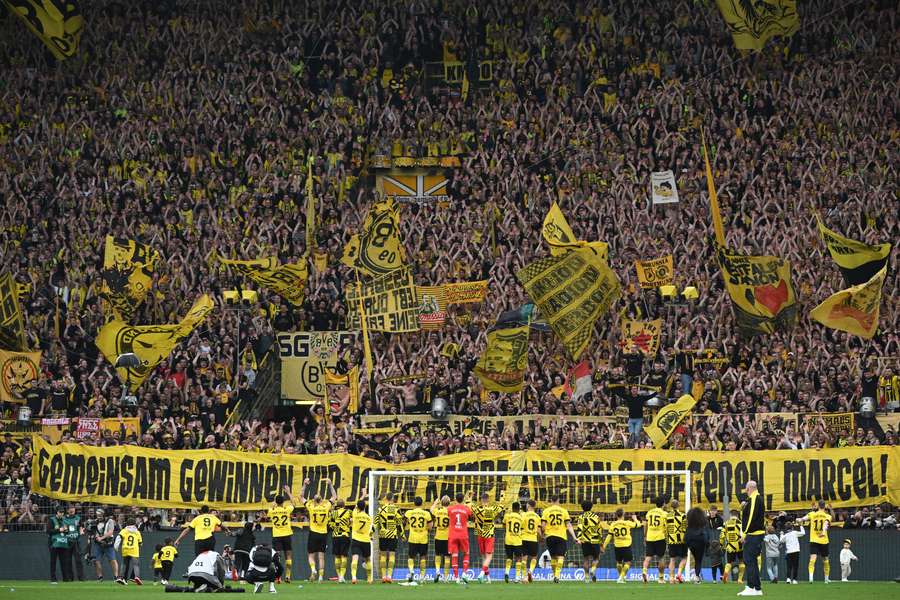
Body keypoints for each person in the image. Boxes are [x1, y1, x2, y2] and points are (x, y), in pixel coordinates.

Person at [296, 478, 336, 582]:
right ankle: (321, 577)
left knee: (311, 555)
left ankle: (313, 570)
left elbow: (300, 497)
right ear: (322, 500)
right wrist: (330, 485)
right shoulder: (326, 506)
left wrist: (304, 484)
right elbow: (334, 496)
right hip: (323, 534)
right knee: (321, 557)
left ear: (314, 500)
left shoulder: (311, 506)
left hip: (313, 533)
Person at [738, 480, 766, 597]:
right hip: (755, 534)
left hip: (754, 534)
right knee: (752, 561)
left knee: (749, 560)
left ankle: (750, 587)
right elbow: (747, 516)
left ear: (749, 488)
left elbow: (751, 518)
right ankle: (757, 588)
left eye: (746, 489)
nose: (746, 491)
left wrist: (744, 534)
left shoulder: (755, 498)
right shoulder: (753, 499)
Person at [541, 494, 576, 584]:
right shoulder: (564, 511)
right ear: (558, 500)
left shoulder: (546, 511)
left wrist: (543, 535)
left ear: (551, 501)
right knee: (560, 557)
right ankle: (557, 575)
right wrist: (574, 537)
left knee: (553, 557)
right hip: (561, 536)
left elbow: (543, 526)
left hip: (550, 536)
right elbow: (568, 525)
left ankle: (554, 575)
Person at [797, 500, 832, 583]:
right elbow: (826, 524)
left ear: (818, 506)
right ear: (825, 506)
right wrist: (823, 532)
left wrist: (799, 520)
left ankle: (811, 578)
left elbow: (802, 519)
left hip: (814, 540)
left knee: (812, 559)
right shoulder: (828, 516)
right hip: (824, 540)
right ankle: (826, 579)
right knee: (825, 560)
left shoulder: (812, 514)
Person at [473, 491, 504, 583]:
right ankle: (482, 573)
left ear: (481, 500)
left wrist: (469, 496)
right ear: (488, 500)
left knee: (484, 557)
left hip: (480, 535)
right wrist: (502, 494)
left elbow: (468, 504)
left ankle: (488, 578)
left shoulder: (477, 509)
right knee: (489, 557)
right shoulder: (492, 509)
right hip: (489, 535)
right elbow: (502, 506)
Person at [603, 508, 640, 583]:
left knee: (619, 562)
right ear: (623, 514)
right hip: (626, 545)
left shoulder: (613, 524)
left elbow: (609, 536)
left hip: (617, 546)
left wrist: (604, 546)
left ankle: (621, 577)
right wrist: (635, 519)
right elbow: (638, 525)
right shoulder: (627, 523)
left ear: (616, 515)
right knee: (628, 562)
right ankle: (621, 577)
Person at [267, 487, 295, 583]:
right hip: (287, 534)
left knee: (277, 556)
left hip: (277, 535)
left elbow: (271, 507)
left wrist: (274, 503)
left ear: (276, 501)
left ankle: (278, 577)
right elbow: (294, 503)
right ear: (283, 502)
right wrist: (288, 492)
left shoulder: (271, 511)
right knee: (288, 556)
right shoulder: (287, 509)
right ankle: (287, 576)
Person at [404, 496, 432, 582]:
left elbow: (404, 522)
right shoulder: (426, 513)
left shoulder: (409, 513)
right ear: (422, 503)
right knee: (423, 557)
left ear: (414, 503)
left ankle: (411, 571)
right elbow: (430, 526)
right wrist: (427, 530)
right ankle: (422, 577)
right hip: (423, 538)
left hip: (413, 538)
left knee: (411, 557)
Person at [447, 492, 473, 583]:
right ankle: (464, 573)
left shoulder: (450, 509)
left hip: (453, 534)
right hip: (463, 534)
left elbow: (447, 514)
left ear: (455, 499)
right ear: (462, 499)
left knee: (454, 555)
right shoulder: (466, 509)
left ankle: (456, 577)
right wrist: (469, 500)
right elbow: (471, 515)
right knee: (466, 553)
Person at [376, 491, 402, 583]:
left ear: (386, 498)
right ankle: (389, 576)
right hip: (392, 535)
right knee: (391, 555)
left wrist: (370, 533)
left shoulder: (381, 509)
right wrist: (402, 534)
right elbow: (399, 523)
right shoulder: (396, 509)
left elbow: (375, 523)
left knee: (382, 555)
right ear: (393, 499)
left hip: (383, 534)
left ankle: (383, 576)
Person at [642, 496, 669, 583]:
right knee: (661, 558)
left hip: (650, 537)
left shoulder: (649, 512)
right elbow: (666, 527)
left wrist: (645, 536)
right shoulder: (664, 514)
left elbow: (645, 525)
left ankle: (644, 572)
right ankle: (661, 578)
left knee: (648, 557)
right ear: (663, 504)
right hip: (660, 538)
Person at [576, 500, 603, 583]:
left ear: (582, 507)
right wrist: (601, 542)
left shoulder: (581, 517)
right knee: (596, 558)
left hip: (585, 540)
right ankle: (593, 569)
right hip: (595, 540)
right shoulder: (595, 517)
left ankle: (587, 577)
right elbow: (599, 529)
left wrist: (579, 539)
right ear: (591, 507)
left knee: (586, 559)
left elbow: (579, 528)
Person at [91, 508, 120, 582]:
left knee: (113, 560)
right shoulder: (95, 522)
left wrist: (101, 538)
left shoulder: (110, 521)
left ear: (104, 515)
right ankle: (100, 577)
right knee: (96, 560)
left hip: (108, 543)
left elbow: (110, 532)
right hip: (98, 544)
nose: (99, 517)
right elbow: (94, 532)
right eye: (98, 515)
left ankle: (116, 577)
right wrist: (96, 536)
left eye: (100, 515)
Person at [350, 499, 374, 584]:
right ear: (365, 507)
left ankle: (353, 577)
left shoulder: (355, 515)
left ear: (358, 507)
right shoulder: (369, 518)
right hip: (365, 540)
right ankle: (369, 578)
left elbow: (355, 508)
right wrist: (370, 536)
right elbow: (372, 529)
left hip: (356, 539)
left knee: (355, 558)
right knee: (367, 560)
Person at [329, 499, 353, 583]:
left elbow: (330, 525)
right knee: (344, 556)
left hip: (335, 536)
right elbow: (353, 521)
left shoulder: (333, 513)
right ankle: (342, 576)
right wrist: (348, 525)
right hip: (344, 535)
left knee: (337, 556)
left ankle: (339, 576)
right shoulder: (349, 512)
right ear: (344, 505)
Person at [114, 517, 143, 585]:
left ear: (127, 524)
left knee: (124, 564)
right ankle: (136, 577)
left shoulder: (124, 530)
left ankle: (121, 577)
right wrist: (139, 544)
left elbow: (119, 537)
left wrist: (116, 546)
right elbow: (140, 543)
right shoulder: (137, 532)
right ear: (134, 524)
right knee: (136, 564)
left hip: (125, 549)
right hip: (134, 550)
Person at [430, 496, 452, 582]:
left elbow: (431, 509)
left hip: (438, 536)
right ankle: (446, 578)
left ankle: (438, 571)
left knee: (438, 555)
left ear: (441, 503)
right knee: (447, 557)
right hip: (448, 537)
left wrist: (435, 503)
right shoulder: (451, 512)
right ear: (449, 503)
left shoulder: (438, 511)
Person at [685, 507, 709, 582]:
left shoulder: (690, 524)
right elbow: (706, 535)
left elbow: (687, 534)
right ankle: (697, 576)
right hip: (700, 541)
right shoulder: (703, 523)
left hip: (691, 542)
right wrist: (707, 544)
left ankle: (695, 574)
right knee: (698, 560)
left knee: (695, 558)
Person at [49, 506, 72, 583]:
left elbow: (68, 531)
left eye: (62, 512)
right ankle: (53, 579)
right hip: (54, 544)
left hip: (63, 543)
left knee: (64, 562)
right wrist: (59, 530)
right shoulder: (51, 520)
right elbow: (48, 531)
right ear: (57, 512)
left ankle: (65, 579)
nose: (61, 514)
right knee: (53, 562)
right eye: (60, 512)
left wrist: (66, 530)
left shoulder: (65, 520)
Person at [501, 501, 524, 583]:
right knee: (518, 558)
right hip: (517, 540)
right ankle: (517, 578)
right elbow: (522, 529)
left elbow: (503, 526)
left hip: (508, 540)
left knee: (509, 557)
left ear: (512, 508)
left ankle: (507, 572)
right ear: (519, 509)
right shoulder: (521, 517)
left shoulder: (507, 516)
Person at [666, 499, 687, 584]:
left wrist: (667, 539)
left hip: (671, 540)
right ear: (678, 506)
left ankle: (671, 578)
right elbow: (685, 528)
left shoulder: (667, 516)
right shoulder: (683, 515)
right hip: (681, 540)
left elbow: (666, 528)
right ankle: (678, 574)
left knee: (672, 559)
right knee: (684, 558)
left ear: (671, 506)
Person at [520, 500, 541, 583]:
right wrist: (540, 538)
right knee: (534, 557)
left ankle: (525, 577)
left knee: (524, 559)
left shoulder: (523, 515)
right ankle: (530, 572)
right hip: (533, 538)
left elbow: (520, 527)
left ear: (528, 505)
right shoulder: (537, 517)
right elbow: (539, 531)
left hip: (524, 538)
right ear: (534, 506)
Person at [63, 504, 84, 582]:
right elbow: (63, 528)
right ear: (67, 510)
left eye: (73, 508)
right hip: (67, 541)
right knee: (68, 561)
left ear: (75, 510)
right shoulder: (64, 519)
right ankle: (70, 578)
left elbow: (81, 526)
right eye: (70, 509)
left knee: (78, 560)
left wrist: (81, 531)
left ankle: (81, 578)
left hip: (76, 541)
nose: (72, 510)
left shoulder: (78, 518)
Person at [721, 513, 744, 583]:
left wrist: (721, 544)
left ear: (731, 516)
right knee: (741, 562)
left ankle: (725, 573)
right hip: (739, 546)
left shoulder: (726, 523)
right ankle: (740, 579)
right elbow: (743, 534)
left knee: (729, 562)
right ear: (737, 516)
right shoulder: (741, 523)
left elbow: (722, 535)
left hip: (730, 546)